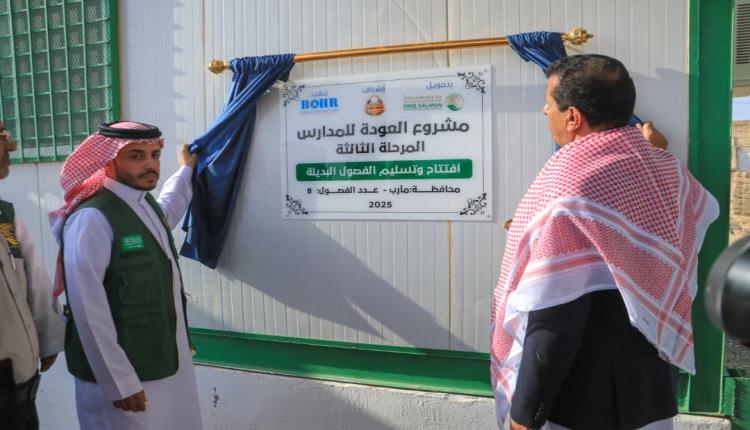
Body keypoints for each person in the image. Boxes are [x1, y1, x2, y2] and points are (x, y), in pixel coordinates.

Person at [490, 55, 719, 430]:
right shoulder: (665, 167)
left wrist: (525, 414)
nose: (544, 110)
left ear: (573, 117)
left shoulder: (571, 190)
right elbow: (702, 213)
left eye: (549, 102)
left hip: (583, 400)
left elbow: (556, 316)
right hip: (653, 386)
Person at [49, 121, 202, 430]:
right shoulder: (92, 217)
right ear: (109, 159)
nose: (150, 165)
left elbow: (169, 208)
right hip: (124, 378)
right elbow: (87, 310)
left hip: (163, 365)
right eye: (136, 156)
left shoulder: (143, 204)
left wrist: (186, 170)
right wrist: (118, 381)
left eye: (155, 155)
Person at [0, 121, 65, 429]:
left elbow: (34, 282)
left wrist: (48, 340)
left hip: (20, 399)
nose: (11, 147)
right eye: (1, 137)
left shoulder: (6, 216)